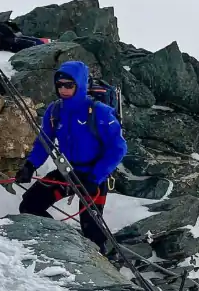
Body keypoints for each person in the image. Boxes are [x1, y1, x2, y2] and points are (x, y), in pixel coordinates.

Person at [14, 61, 126, 252]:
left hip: (93, 177)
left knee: (92, 230)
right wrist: (30, 165)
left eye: (69, 85)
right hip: (68, 171)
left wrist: (95, 177)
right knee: (29, 205)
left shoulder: (100, 112)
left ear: (80, 85)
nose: (64, 89)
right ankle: (59, 244)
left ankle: (103, 261)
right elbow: (45, 142)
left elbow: (118, 148)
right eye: (60, 85)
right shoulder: (55, 111)